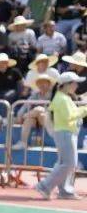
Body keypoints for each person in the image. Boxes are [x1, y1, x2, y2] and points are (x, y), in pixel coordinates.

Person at [35, 72, 87, 200]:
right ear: (66, 85)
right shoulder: (62, 98)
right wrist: (85, 109)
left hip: (66, 133)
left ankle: (65, 191)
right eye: (74, 83)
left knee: (66, 163)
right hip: (65, 133)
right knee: (69, 163)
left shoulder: (64, 97)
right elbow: (70, 116)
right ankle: (45, 186)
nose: (76, 85)